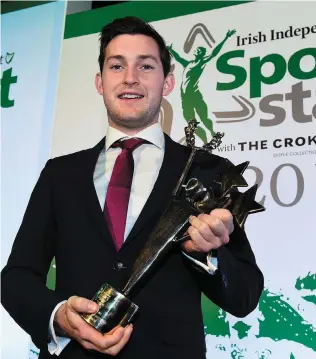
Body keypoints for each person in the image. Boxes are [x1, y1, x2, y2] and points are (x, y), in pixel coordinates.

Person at [1, 16, 263, 359]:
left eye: (146, 66)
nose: (130, 78)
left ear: (167, 82)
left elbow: (244, 296)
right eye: (116, 65)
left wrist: (208, 254)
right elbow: (16, 277)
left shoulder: (209, 171)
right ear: (99, 81)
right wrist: (59, 316)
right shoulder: (59, 175)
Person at [168, 29, 235, 144]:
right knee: (190, 122)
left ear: (201, 54)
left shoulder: (200, 63)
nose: (196, 50)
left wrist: (226, 38)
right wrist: (171, 50)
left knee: (203, 117)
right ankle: (202, 141)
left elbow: (214, 53)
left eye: (199, 50)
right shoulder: (188, 64)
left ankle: (213, 133)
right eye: (197, 49)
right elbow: (178, 58)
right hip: (185, 97)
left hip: (195, 95)